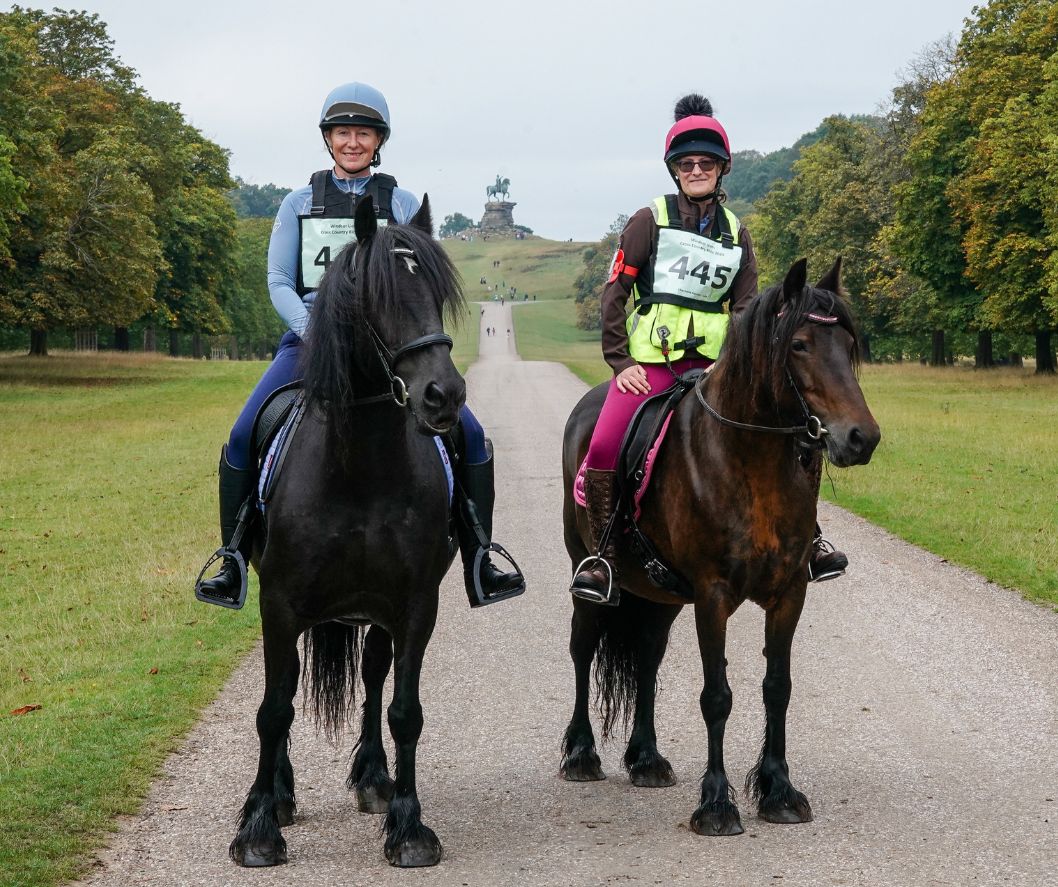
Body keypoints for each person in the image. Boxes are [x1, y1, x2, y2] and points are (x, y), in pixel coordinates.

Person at [196, 81, 524, 609]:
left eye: (363, 134)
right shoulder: (299, 203)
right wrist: (313, 329)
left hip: (388, 347)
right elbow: (279, 279)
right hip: (310, 342)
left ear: (379, 141)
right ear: (328, 138)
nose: (353, 142)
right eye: (343, 132)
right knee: (241, 434)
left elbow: (422, 280)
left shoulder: (404, 204)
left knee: (469, 432)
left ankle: (480, 555)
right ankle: (232, 558)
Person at [570, 94, 847, 600]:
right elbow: (615, 294)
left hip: (718, 366)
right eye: (686, 163)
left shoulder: (736, 232)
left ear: (721, 169)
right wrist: (620, 361)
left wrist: (739, 364)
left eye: (705, 163)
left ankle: (810, 539)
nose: (696, 170)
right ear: (675, 170)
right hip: (651, 366)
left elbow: (746, 308)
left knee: (795, 429)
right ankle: (604, 557)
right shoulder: (648, 220)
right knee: (605, 443)